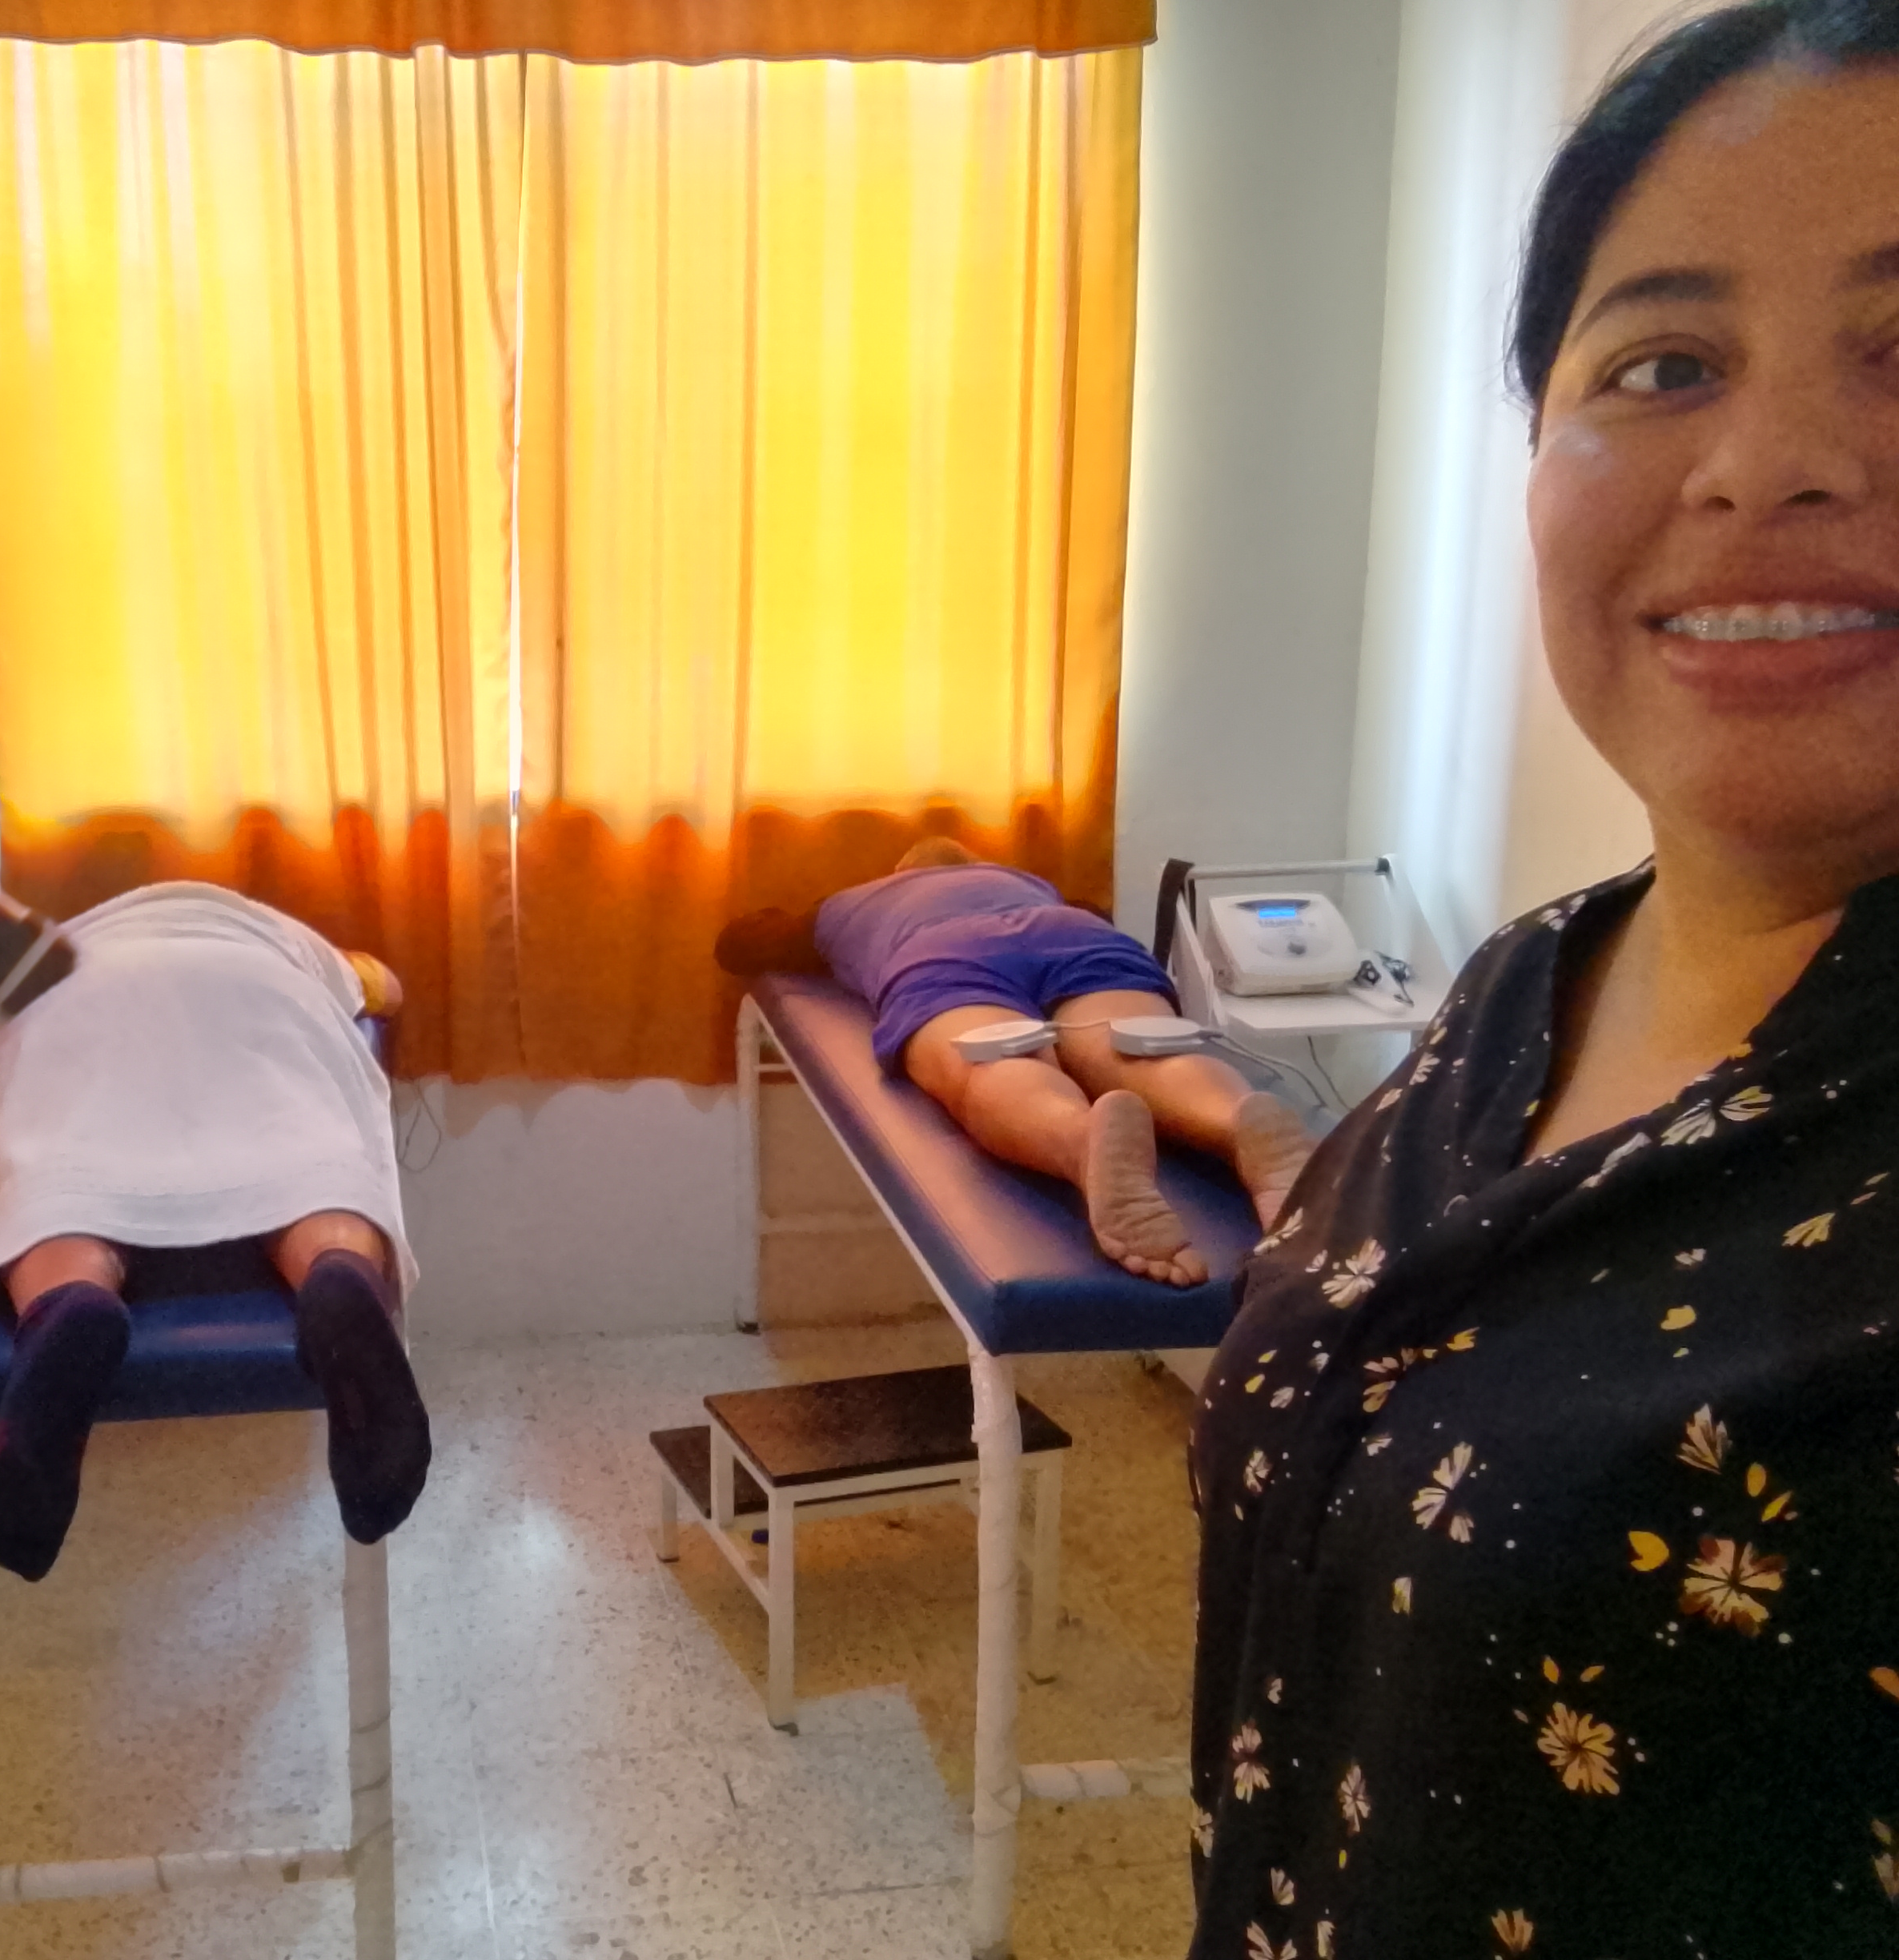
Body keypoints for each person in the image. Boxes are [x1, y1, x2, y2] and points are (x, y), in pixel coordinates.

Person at [1186, 10, 1899, 1954]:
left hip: (1044, 983)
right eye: (1663, 363)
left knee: (1096, 1041)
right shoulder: (1525, 980)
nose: (1766, 466)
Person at [0, 881, 430, 1581]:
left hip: (74, 1001)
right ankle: (336, 1270)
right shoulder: (276, 936)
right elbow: (386, 988)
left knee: (58, 1177)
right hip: (255, 990)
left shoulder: (53, 950)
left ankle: (69, 1299)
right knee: (304, 1158)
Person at [714, 840, 1313, 1285]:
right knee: (1140, 1044)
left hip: (947, 953)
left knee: (994, 1059)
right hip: (1074, 934)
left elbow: (741, 945)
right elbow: (1096, 912)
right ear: (974, 863)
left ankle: (1080, 1140)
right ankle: (1236, 1118)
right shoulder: (1026, 882)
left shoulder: (855, 903)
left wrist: (816, 923)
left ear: (902, 872)